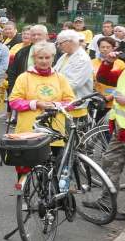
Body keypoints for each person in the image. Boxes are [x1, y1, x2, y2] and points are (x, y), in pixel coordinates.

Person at [8, 42, 76, 184]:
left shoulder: (60, 78)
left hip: (54, 133)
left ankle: (47, 200)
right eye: (40, 58)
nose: (44, 61)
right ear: (34, 58)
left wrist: (55, 105)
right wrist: (35, 103)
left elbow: (71, 102)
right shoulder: (24, 77)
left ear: (53, 58)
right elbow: (13, 101)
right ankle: (24, 199)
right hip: (28, 132)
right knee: (25, 169)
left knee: (51, 173)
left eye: (47, 58)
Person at [96, 42, 125, 220]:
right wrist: (107, 62)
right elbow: (105, 79)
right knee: (109, 162)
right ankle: (106, 201)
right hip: (121, 127)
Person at [54, 30, 93, 132]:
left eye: (60, 43)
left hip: (75, 106)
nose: (58, 46)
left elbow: (74, 84)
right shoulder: (65, 55)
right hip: (62, 103)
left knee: (72, 141)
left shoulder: (82, 59)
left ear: (69, 42)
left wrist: (53, 89)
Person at [7, 24, 48, 90]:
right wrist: (12, 89)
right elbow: (13, 73)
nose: (36, 37)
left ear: (46, 36)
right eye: (33, 35)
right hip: (24, 89)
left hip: (46, 89)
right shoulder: (22, 52)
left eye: (39, 34)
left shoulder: (54, 52)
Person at [93, 37, 123, 103]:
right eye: (102, 47)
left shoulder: (121, 63)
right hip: (97, 99)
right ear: (98, 48)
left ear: (113, 48)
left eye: (108, 47)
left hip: (114, 100)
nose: (105, 49)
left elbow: (122, 85)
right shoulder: (92, 62)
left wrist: (110, 97)